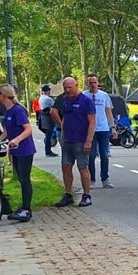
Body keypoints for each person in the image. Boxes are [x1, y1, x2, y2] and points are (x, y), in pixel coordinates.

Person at [51, 76, 95, 207]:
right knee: (66, 167)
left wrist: (89, 141)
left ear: (76, 86)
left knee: (83, 168)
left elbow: (92, 122)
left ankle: (87, 195)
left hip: (81, 141)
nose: (67, 90)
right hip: (67, 141)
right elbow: (62, 117)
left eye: (70, 87)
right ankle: (68, 194)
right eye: (65, 87)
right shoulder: (64, 100)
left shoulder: (86, 101)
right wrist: (62, 133)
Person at [0, 85, 35, 222]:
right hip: (15, 150)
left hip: (25, 150)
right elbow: (6, 132)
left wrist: (17, 140)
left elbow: (28, 129)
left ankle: (26, 209)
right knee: (21, 178)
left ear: (5, 95)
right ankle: (24, 208)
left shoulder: (18, 110)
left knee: (25, 179)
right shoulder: (7, 111)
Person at [84, 74, 115, 188]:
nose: (93, 85)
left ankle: (105, 179)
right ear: (87, 83)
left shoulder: (104, 95)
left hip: (103, 128)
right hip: (90, 129)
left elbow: (108, 111)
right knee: (91, 156)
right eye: (90, 82)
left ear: (98, 83)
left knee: (104, 155)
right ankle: (91, 179)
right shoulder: (83, 95)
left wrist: (113, 126)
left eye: (94, 82)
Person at [37, 85, 58, 156]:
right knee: (49, 135)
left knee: (47, 134)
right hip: (49, 118)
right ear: (48, 91)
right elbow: (55, 106)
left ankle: (48, 150)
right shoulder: (48, 99)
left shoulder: (41, 98)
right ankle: (48, 151)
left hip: (43, 117)